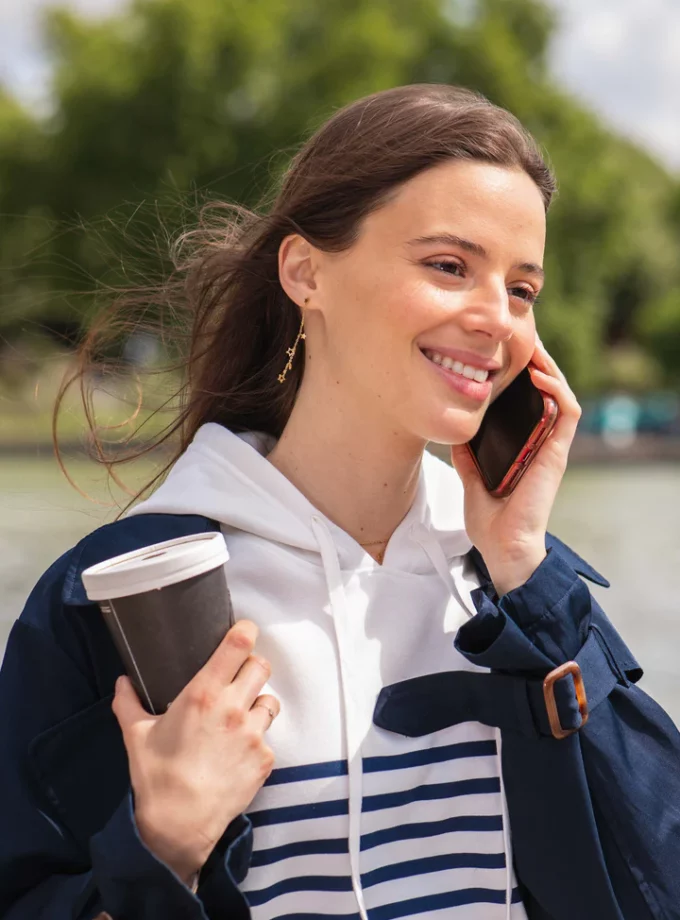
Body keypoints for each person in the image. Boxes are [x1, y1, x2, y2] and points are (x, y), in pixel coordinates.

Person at [0, 84, 678, 920]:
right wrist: (162, 848)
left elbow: (658, 881)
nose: (497, 319)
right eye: (449, 266)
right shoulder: (112, 599)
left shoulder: (517, 591)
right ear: (305, 271)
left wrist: (528, 578)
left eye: (521, 290)